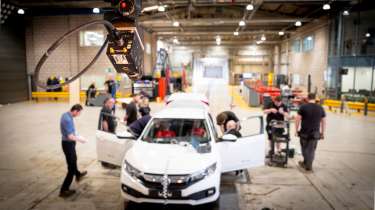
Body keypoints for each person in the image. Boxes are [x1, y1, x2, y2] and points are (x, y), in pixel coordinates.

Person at [59, 104, 87, 197]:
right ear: (75, 111)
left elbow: (71, 132)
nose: (79, 115)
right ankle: (64, 190)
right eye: (79, 113)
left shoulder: (66, 115)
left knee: (74, 159)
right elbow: (70, 136)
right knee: (71, 168)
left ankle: (78, 174)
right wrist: (81, 140)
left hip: (68, 143)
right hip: (68, 144)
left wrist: (77, 134)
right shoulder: (67, 120)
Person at [295, 93, 326, 172]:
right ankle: (307, 163)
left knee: (304, 148)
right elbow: (323, 121)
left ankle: (307, 164)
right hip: (315, 132)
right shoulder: (320, 108)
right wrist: (322, 133)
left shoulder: (303, 107)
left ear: (308, 98)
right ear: (315, 98)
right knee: (311, 149)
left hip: (304, 132)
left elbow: (297, 119)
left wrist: (296, 130)